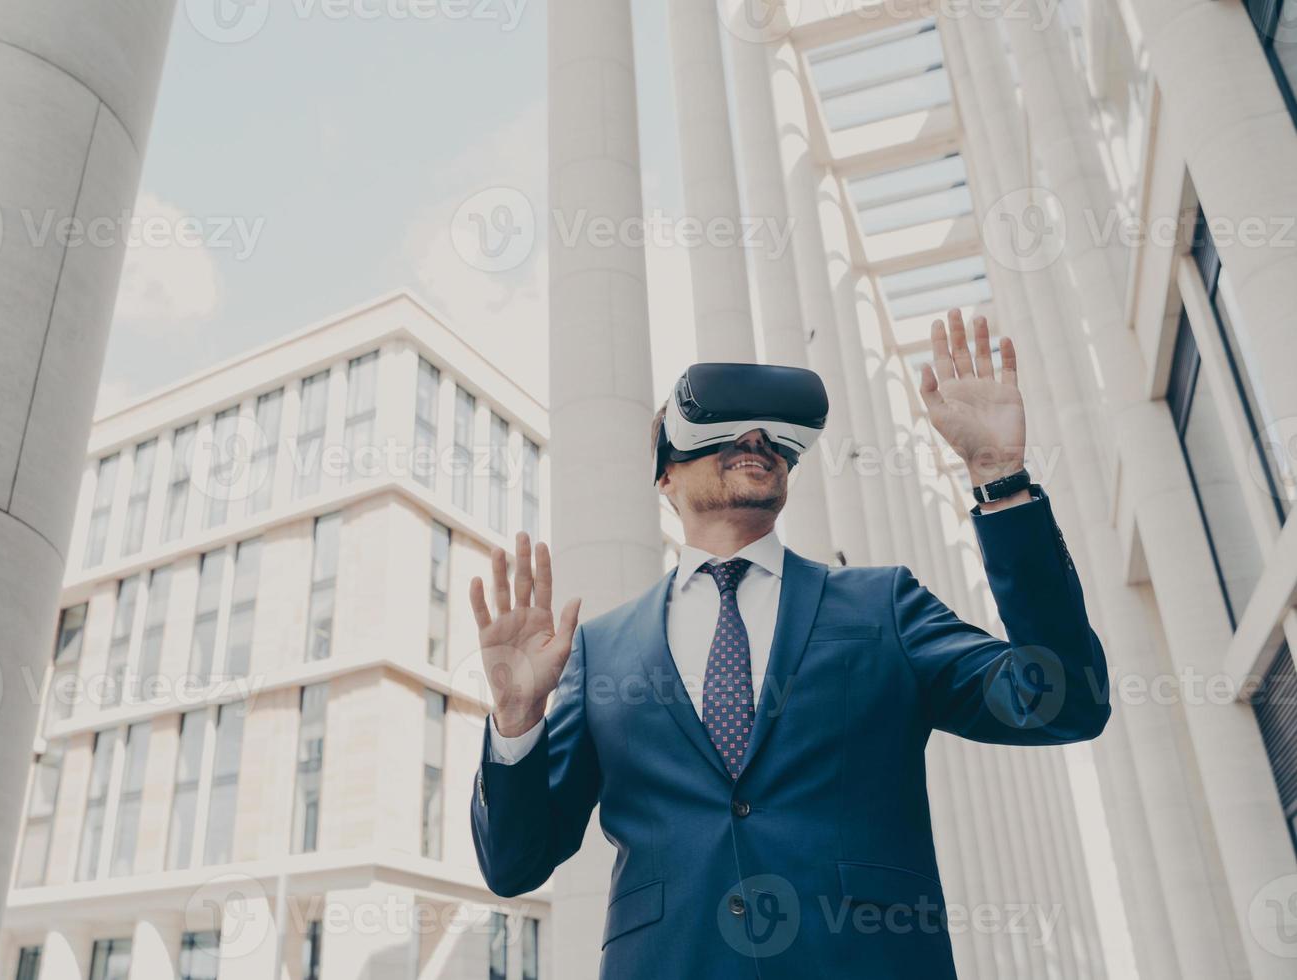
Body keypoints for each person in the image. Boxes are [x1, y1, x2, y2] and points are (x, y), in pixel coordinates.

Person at [467, 311, 1111, 979]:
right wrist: (517, 721)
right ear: (664, 475)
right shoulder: (600, 650)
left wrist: (999, 480)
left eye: (772, 428)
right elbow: (515, 864)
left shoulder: (881, 604)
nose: (755, 435)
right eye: (723, 425)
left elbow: (1062, 704)